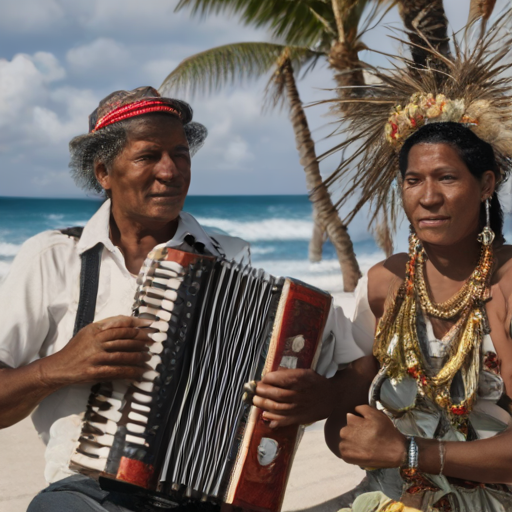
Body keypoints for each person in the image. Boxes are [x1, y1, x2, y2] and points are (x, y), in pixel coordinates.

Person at [0, 86, 368, 511]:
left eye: (180, 154)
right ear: (103, 172)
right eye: (147, 156)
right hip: (89, 494)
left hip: (214, 494)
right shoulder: (54, 258)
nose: (170, 170)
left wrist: (320, 398)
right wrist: (55, 369)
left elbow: (358, 365)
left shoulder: (230, 257)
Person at [322, 15, 512, 512]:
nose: (427, 197)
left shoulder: (508, 285)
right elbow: (349, 408)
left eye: (447, 178)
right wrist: (307, 399)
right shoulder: (387, 284)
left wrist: (407, 451)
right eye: (412, 181)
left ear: (486, 185)